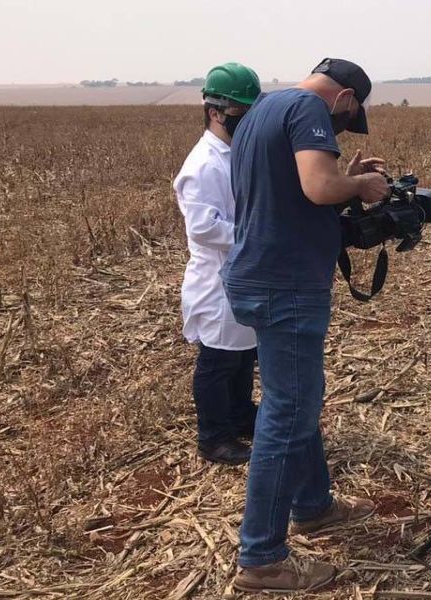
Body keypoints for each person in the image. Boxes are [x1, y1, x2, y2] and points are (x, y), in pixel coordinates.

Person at [221, 58, 391, 593]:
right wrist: (359, 184)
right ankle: (262, 559)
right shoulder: (308, 109)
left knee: (293, 400)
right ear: (343, 99)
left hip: (257, 273)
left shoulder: (263, 109)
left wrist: (346, 177)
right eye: (348, 118)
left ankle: (314, 505)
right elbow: (319, 187)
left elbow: (291, 189)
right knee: (287, 414)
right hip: (286, 283)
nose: (342, 126)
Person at [173, 62, 261, 466]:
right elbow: (205, 228)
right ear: (214, 112)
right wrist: (258, 232)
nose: (245, 122)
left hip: (243, 274)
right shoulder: (203, 165)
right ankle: (213, 438)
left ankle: (242, 416)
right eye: (239, 114)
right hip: (217, 280)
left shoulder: (235, 154)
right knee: (218, 360)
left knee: (244, 355)